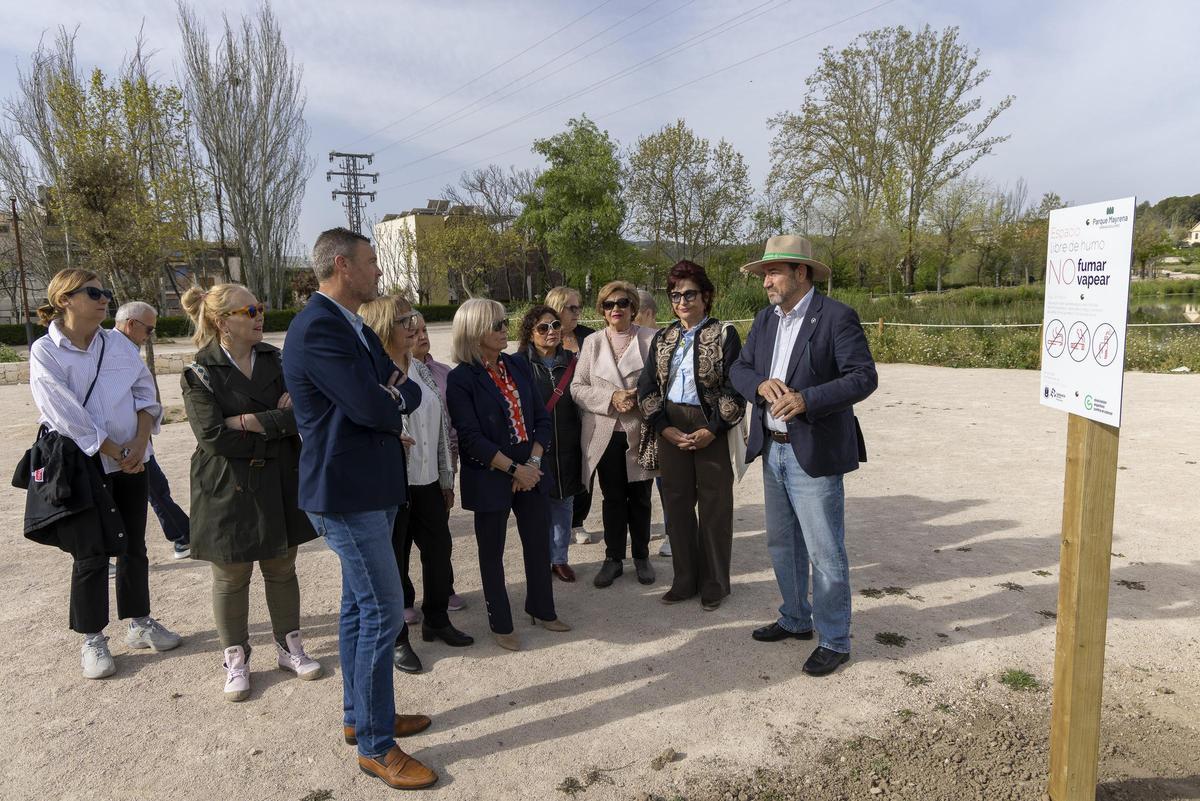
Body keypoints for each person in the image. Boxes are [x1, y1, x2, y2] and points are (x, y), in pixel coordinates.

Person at [283, 228, 436, 790]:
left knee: (358, 608)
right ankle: (375, 745)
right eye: (372, 261)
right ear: (342, 265)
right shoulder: (318, 327)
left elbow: (404, 387)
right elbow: (372, 405)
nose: (379, 272)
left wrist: (385, 395)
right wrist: (385, 397)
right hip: (346, 493)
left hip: (372, 486)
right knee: (382, 613)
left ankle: (361, 717)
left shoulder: (353, 325)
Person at [729, 235, 877, 677]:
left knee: (824, 550)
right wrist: (759, 385)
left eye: (773, 272)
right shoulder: (765, 320)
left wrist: (808, 399)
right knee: (782, 544)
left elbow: (863, 377)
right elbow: (739, 368)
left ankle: (834, 639)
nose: (765, 281)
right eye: (763, 274)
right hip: (771, 449)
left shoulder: (836, 317)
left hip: (813, 451)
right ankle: (795, 617)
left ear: (801, 272)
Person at [27, 269, 181, 680]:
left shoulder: (117, 345)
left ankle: (140, 622)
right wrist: (114, 449)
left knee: (134, 545)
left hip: (132, 458)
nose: (104, 299)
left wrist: (140, 443)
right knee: (90, 552)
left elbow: (145, 393)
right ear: (64, 299)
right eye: (94, 292)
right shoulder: (46, 351)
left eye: (106, 292)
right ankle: (93, 638)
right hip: (82, 464)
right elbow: (63, 412)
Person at [180, 283, 322, 701]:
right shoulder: (199, 371)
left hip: (278, 478)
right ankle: (236, 657)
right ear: (222, 322)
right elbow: (212, 437)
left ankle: (289, 646)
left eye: (259, 307)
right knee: (231, 574)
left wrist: (247, 421)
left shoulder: (278, 360)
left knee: (282, 566)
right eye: (250, 310)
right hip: (227, 486)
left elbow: (304, 414)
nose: (260, 315)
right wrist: (275, 420)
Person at [445, 299, 570, 652]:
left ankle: (542, 609)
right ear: (474, 332)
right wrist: (515, 469)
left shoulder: (516, 364)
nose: (505, 329)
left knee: (538, 542)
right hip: (490, 473)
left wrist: (532, 464)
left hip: (530, 467)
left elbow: (541, 418)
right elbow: (470, 438)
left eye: (504, 322)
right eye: (496, 324)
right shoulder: (461, 379)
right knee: (492, 552)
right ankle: (500, 622)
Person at [360, 295, 473, 676]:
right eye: (404, 321)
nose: (413, 327)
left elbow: (440, 428)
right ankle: (396, 638)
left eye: (414, 320)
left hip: (428, 481)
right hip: (392, 485)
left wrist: (445, 477)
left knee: (439, 553)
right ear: (382, 327)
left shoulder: (421, 370)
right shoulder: (371, 375)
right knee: (393, 563)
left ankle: (437, 619)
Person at [638, 261, 744, 611]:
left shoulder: (725, 334)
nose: (681, 301)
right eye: (675, 295)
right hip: (670, 424)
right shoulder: (662, 337)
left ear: (706, 296)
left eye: (689, 294)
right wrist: (664, 427)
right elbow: (646, 387)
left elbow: (735, 387)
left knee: (715, 505)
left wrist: (713, 429)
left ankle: (714, 583)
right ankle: (684, 579)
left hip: (710, 424)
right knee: (677, 504)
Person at [571, 281, 658, 588]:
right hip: (605, 433)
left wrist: (637, 397)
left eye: (622, 303)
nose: (616, 309)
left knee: (641, 498)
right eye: (609, 305)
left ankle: (642, 556)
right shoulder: (592, 342)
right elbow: (577, 388)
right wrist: (611, 398)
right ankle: (613, 559)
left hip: (640, 431)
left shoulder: (651, 339)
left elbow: (665, 381)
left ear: (633, 307)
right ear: (602, 310)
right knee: (613, 498)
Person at [115, 301, 191, 560]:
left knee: (154, 489)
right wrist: (137, 442)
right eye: (149, 330)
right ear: (131, 324)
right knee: (152, 491)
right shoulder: (116, 351)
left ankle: (183, 535)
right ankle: (183, 536)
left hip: (133, 441)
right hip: (124, 443)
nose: (150, 335)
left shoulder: (121, 349)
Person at [517, 305, 585, 582]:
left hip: (568, 444)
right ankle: (539, 560)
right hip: (534, 447)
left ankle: (559, 559)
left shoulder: (573, 361)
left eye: (556, 325)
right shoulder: (519, 364)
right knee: (536, 508)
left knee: (564, 503)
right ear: (530, 333)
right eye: (543, 327)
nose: (551, 331)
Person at [409, 313, 467, 614]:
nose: (422, 336)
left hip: (442, 461)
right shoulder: (392, 372)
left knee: (438, 533)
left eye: (424, 329)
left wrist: (452, 459)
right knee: (403, 537)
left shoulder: (444, 372)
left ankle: (445, 588)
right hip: (408, 464)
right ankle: (404, 599)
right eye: (414, 331)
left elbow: (453, 418)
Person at [545, 286, 595, 545]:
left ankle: (578, 521)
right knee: (556, 467)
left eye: (579, 307)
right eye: (571, 308)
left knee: (585, 468)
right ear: (557, 308)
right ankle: (554, 523)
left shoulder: (590, 337)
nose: (577, 313)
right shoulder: (542, 337)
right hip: (556, 414)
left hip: (586, 413)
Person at [634, 290, 671, 558]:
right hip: (635, 426)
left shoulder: (666, 340)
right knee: (639, 485)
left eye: (633, 312)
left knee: (667, 483)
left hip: (660, 423)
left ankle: (673, 533)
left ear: (647, 313)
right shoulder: (631, 339)